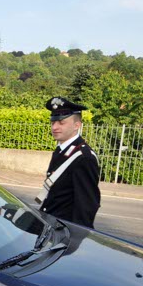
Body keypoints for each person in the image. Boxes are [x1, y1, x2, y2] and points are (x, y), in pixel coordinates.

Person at [38, 96, 100, 228]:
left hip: (64, 232)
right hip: (52, 226)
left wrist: (73, 240)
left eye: (61, 122)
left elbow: (86, 207)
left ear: (76, 125)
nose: (54, 127)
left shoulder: (83, 157)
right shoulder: (61, 150)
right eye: (53, 122)